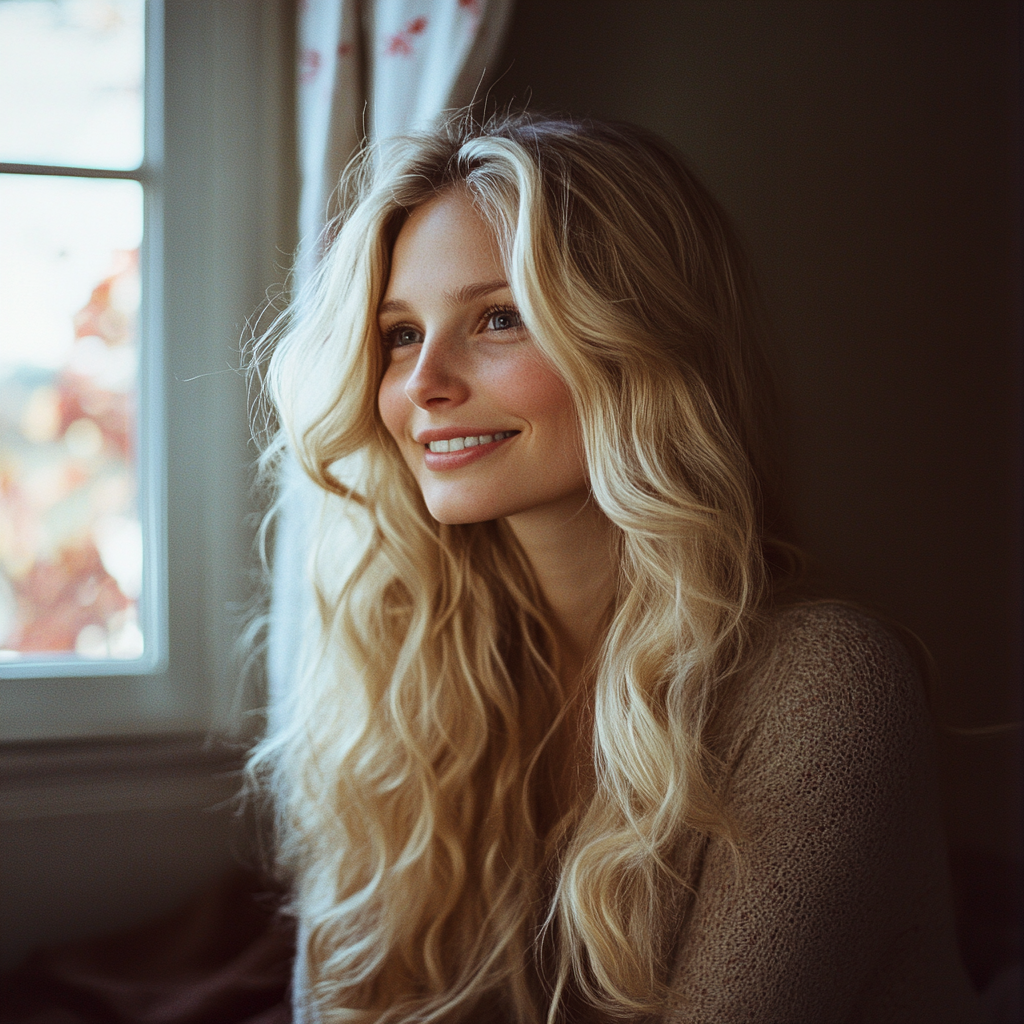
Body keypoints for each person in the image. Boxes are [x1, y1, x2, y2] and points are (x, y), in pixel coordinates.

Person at [248, 112, 985, 1023]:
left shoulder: (826, 687)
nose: (423, 384)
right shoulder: (407, 671)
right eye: (400, 335)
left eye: (500, 317)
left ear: (644, 347)